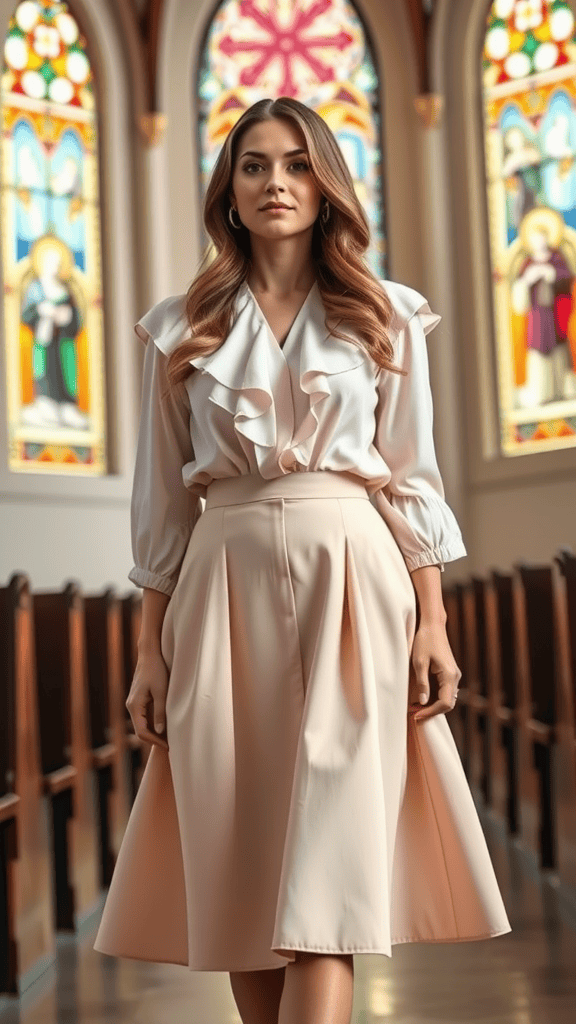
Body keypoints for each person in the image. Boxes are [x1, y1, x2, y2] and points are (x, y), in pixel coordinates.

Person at [93, 97, 511, 1024]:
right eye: (252, 165)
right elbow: (160, 508)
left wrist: (433, 622)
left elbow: (411, 480)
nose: (274, 182)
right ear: (229, 191)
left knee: (329, 866)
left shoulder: (383, 317)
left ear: (325, 186)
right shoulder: (179, 329)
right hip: (221, 594)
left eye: (294, 164)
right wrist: (149, 651)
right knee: (246, 864)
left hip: (356, 588)